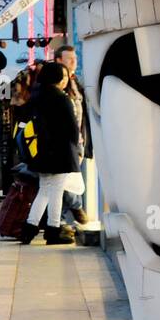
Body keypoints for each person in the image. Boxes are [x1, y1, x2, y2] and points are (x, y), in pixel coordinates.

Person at [20, 61, 79, 246]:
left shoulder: (36, 96)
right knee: (56, 191)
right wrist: (76, 147)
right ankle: (53, 231)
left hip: (42, 152)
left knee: (45, 189)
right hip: (60, 151)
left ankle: (29, 229)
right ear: (57, 78)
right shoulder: (62, 98)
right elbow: (73, 128)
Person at [54, 45, 93, 225]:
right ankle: (75, 208)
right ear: (58, 61)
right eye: (69, 59)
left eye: (75, 58)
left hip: (79, 139)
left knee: (71, 179)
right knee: (66, 179)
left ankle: (60, 221)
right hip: (65, 141)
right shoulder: (56, 84)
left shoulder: (76, 82)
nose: (73, 62)